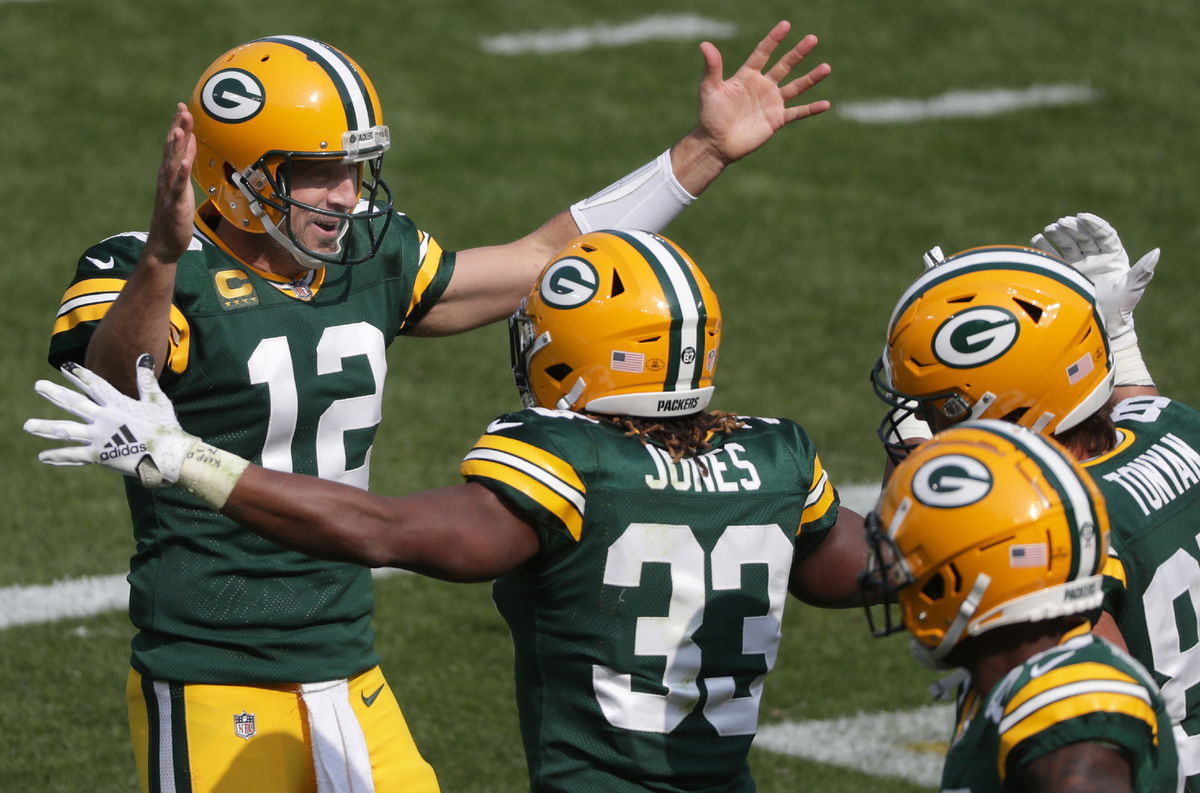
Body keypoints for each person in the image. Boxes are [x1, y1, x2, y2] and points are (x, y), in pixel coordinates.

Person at [44, 25, 832, 793]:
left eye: (356, 169)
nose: (346, 195)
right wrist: (160, 257)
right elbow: (117, 387)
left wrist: (703, 154)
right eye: (318, 171)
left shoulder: (370, 256)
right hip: (211, 666)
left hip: (346, 659)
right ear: (234, 174)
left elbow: (538, 261)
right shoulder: (140, 263)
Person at [870, 214, 1200, 790]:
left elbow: (1082, 694)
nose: (919, 425)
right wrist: (1115, 337)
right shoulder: (1173, 427)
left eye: (935, 407)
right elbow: (1126, 406)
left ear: (1012, 408)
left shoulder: (1036, 521)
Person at [860, 419, 1179, 792]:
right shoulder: (1016, 678)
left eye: (912, 566)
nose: (894, 581)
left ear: (966, 577)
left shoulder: (1068, 715)